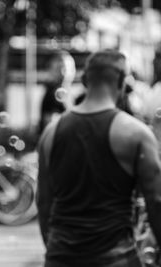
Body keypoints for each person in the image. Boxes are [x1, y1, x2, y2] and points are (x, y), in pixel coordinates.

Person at [36, 50, 161, 267]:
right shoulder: (136, 133)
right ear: (122, 80)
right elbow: (156, 200)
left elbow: (44, 201)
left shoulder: (51, 133)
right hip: (117, 259)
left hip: (60, 258)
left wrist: (55, 249)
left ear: (85, 80)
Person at [39, 50, 76, 133]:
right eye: (59, 68)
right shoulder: (52, 95)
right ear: (51, 71)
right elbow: (50, 126)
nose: (64, 73)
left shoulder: (66, 93)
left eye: (67, 69)